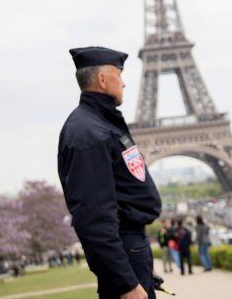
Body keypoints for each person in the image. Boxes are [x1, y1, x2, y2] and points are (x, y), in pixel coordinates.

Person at [58, 47, 162, 299]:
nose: (124, 83)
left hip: (131, 248)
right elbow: (93, 217)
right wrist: (124, 281)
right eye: (119, 75)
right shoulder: (89, 132)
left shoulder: (99, 124)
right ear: (103, 80)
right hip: (125, 246)